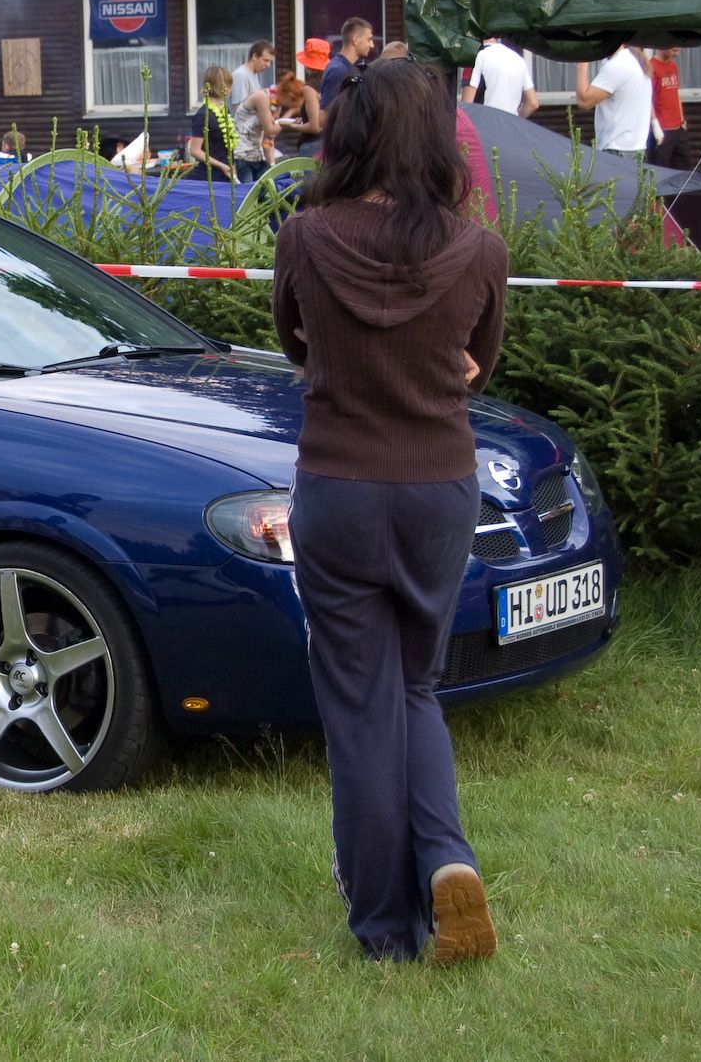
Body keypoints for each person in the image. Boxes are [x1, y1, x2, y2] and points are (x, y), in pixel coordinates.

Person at [271, 57, 507, 964]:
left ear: (352, 135)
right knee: (415, 686)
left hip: (339, 489)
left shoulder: (305, 236)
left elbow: (295, 343)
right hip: (439, 491)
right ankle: (446, 859)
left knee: (360, 706)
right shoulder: (479, 249)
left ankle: (383, 931)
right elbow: (478, 363)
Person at [574, 45, 653, 159]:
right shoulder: (634, 61)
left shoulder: (618, 65)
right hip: (635, 148)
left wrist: (582, 61)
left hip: (616, 148)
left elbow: (584, 101)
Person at [461, 38, 539, 119]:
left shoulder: (474, 58)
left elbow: (467, 107)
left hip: (484, 122)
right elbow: (532, 103)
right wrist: (516, 119)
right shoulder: (517, 59)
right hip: (510, 123)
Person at [318, 19, 376, 121]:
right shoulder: (339, 71)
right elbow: (325, 115)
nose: (372, 45)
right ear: (355, 40)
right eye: (369, 39)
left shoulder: (345, 67)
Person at [186, 66, 237, 179]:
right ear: (221, 86)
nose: (231, 89)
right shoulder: (203, 115)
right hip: (209, 177)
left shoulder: (225, 111)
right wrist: (221, 166)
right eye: (229, 85)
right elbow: (194, 151)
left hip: (226, 174)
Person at [646, 48, 691, 168]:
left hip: (678, 127)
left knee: (684, 168)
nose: (676, 52)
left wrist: (682, 119)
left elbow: (676, 93)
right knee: (659, 170)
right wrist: (655, 125)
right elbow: (646, 98)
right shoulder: (651, 67)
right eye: (673, 49)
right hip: (662, 129)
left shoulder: (673, 66)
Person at [231, 83, 281, 181]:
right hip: (242, 155)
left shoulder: (277, 105)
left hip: (258, 156)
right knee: (248, 188)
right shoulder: (262, 96)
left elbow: (269, 138)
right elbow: (270, 131)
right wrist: (288, 118)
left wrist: (272, 164)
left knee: (269, 186)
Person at [230, 40, 275, 109]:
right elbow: (238, 108)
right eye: (265, 60)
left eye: (270, 62)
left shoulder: (254, 74)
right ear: (255, 56)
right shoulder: (241, 75)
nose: (268, 65)